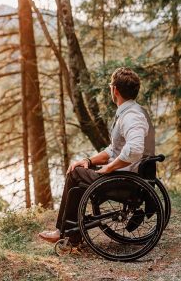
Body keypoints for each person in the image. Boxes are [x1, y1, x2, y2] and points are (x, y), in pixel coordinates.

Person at [38, 67, 155, 244]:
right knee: (80, 168)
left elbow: (135, 149)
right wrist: (88, 161)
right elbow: (113, 150)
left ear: (114, 90)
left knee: (74, 173)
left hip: (125, 180)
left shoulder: (131, 116)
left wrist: (109, 168)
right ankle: (69, 234)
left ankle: (64, 233)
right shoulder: (130, 112)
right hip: (125, 175)